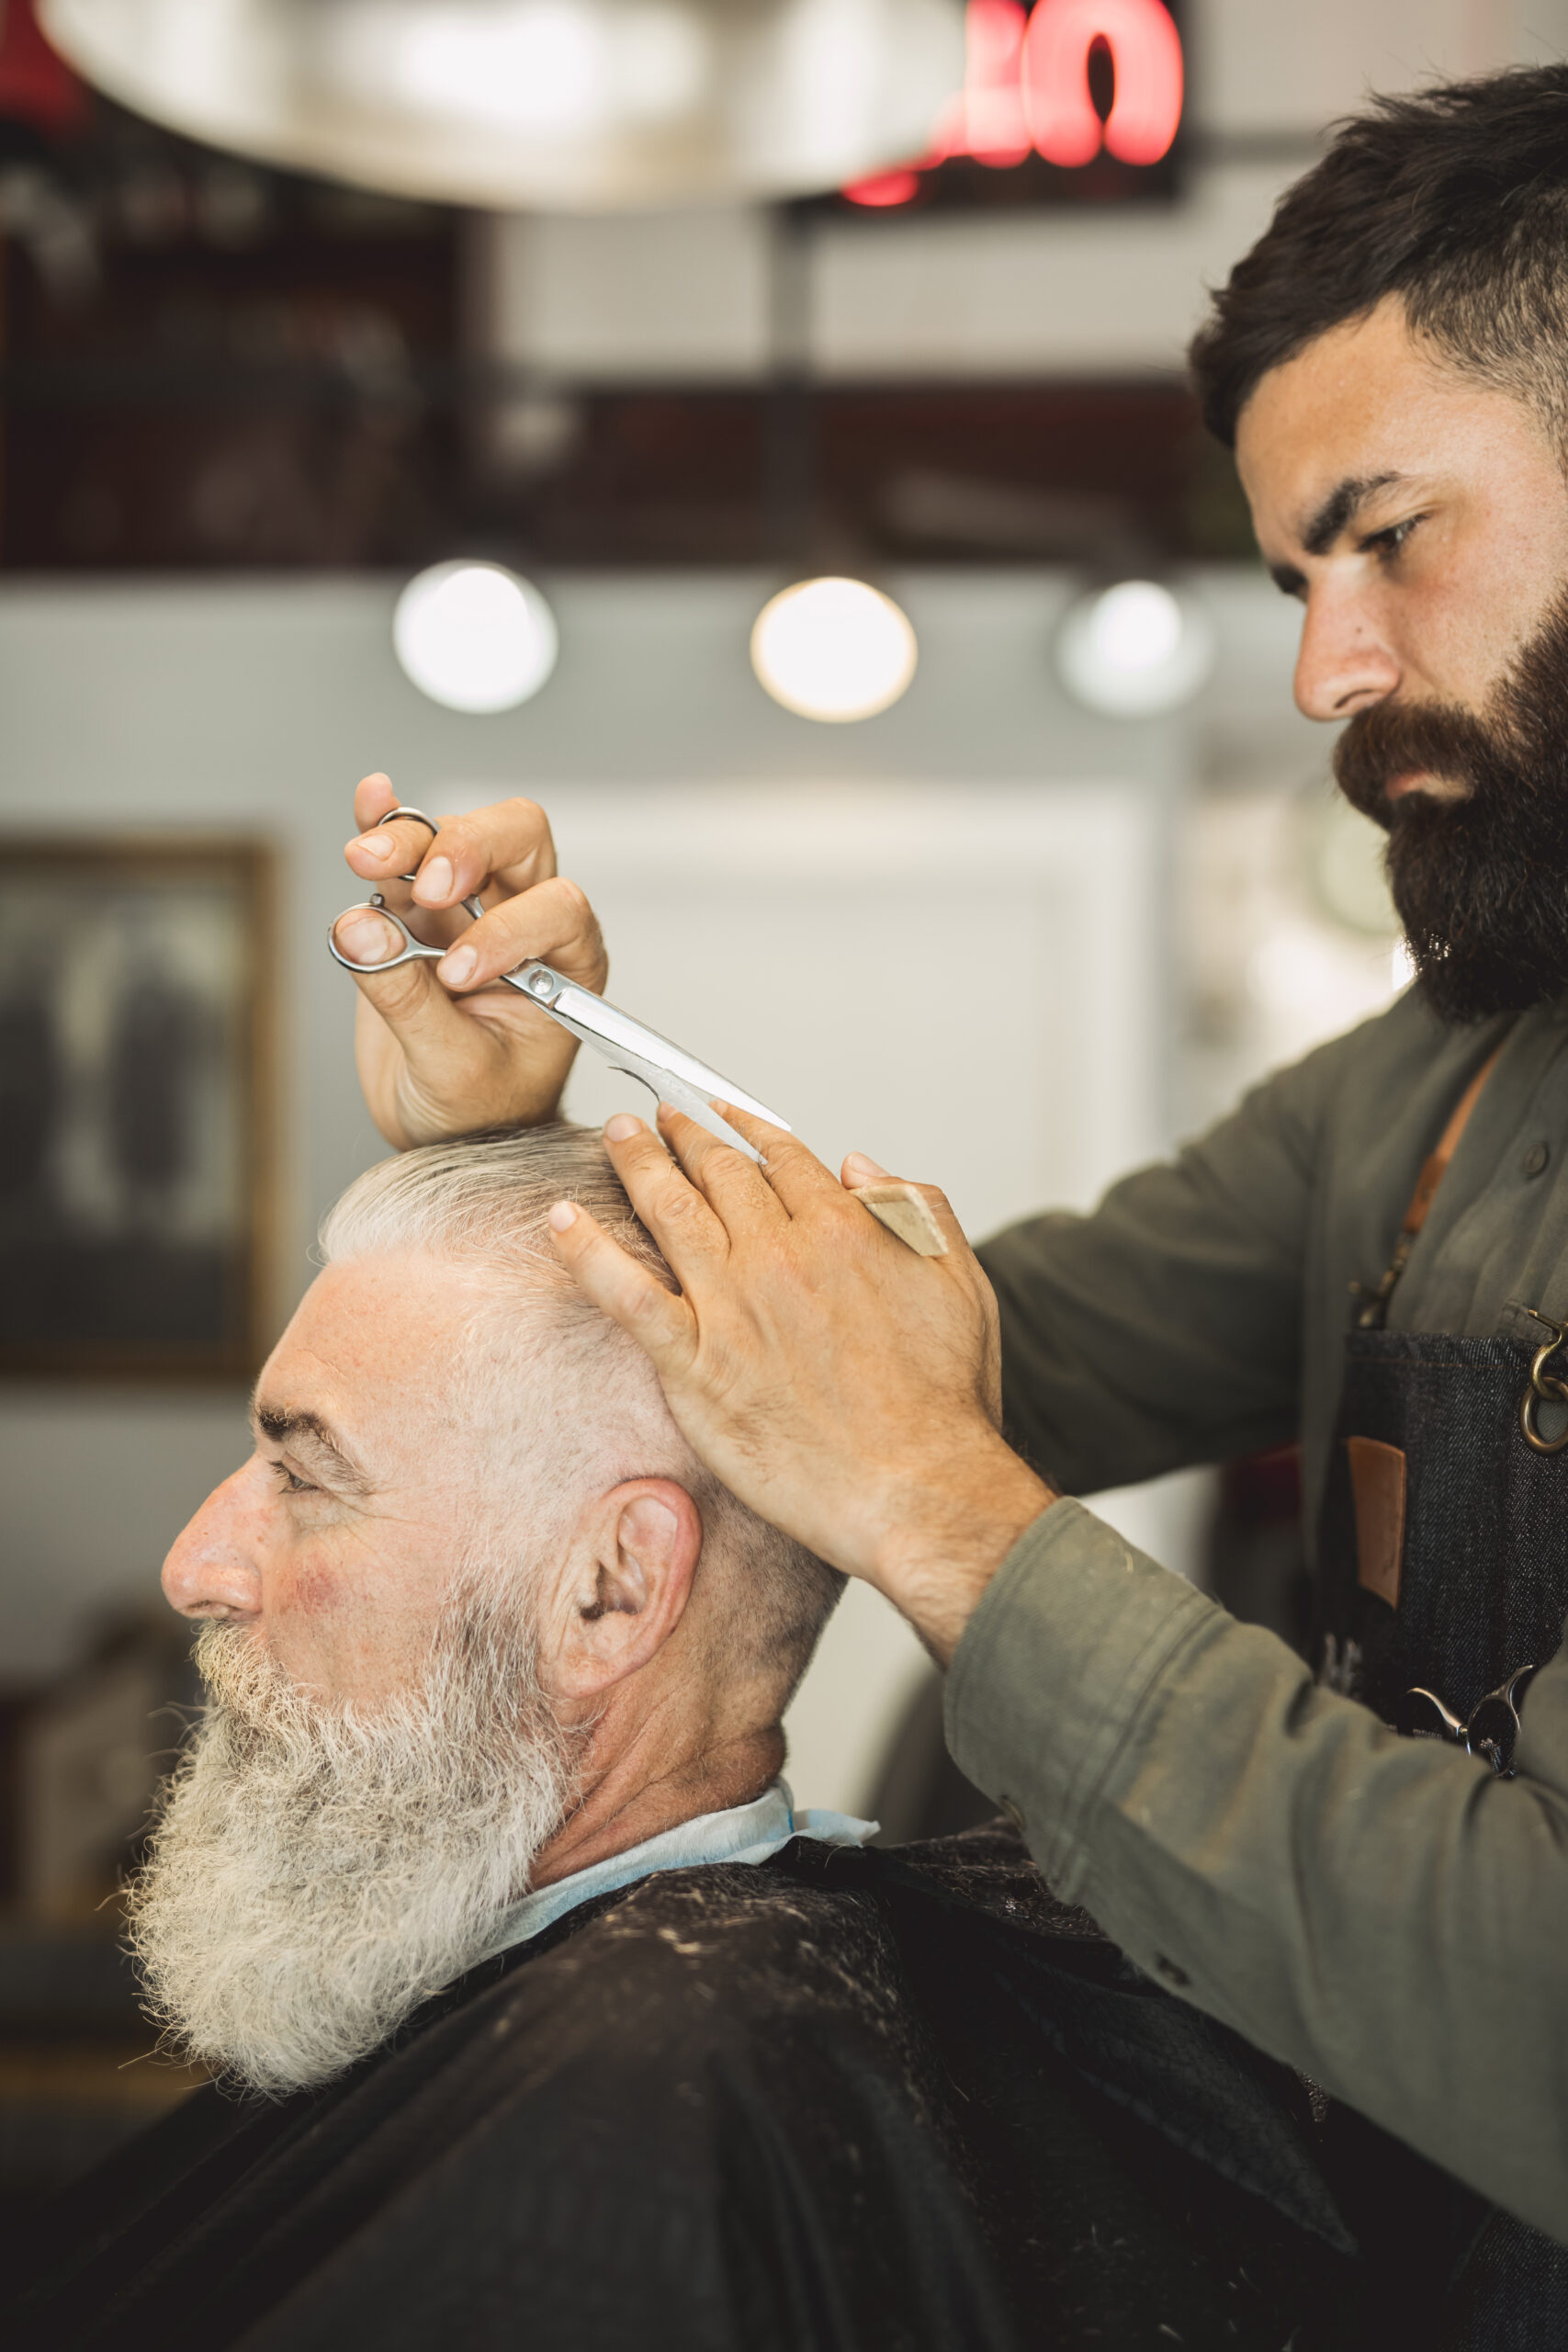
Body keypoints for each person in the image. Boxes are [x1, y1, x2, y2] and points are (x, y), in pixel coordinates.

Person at [315, 64, 1568, 2345]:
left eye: (1388, 535)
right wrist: (529, 1125)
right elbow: (932, 1339)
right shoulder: (1441, 1079)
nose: (1321, 668)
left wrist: (939, 1512)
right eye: (1293, 577)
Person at [9, 1128, 1358, 2352]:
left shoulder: (648, 2106)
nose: (196, 1564)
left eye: (305, 1475)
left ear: (611, 1591)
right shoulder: (637, 2036)